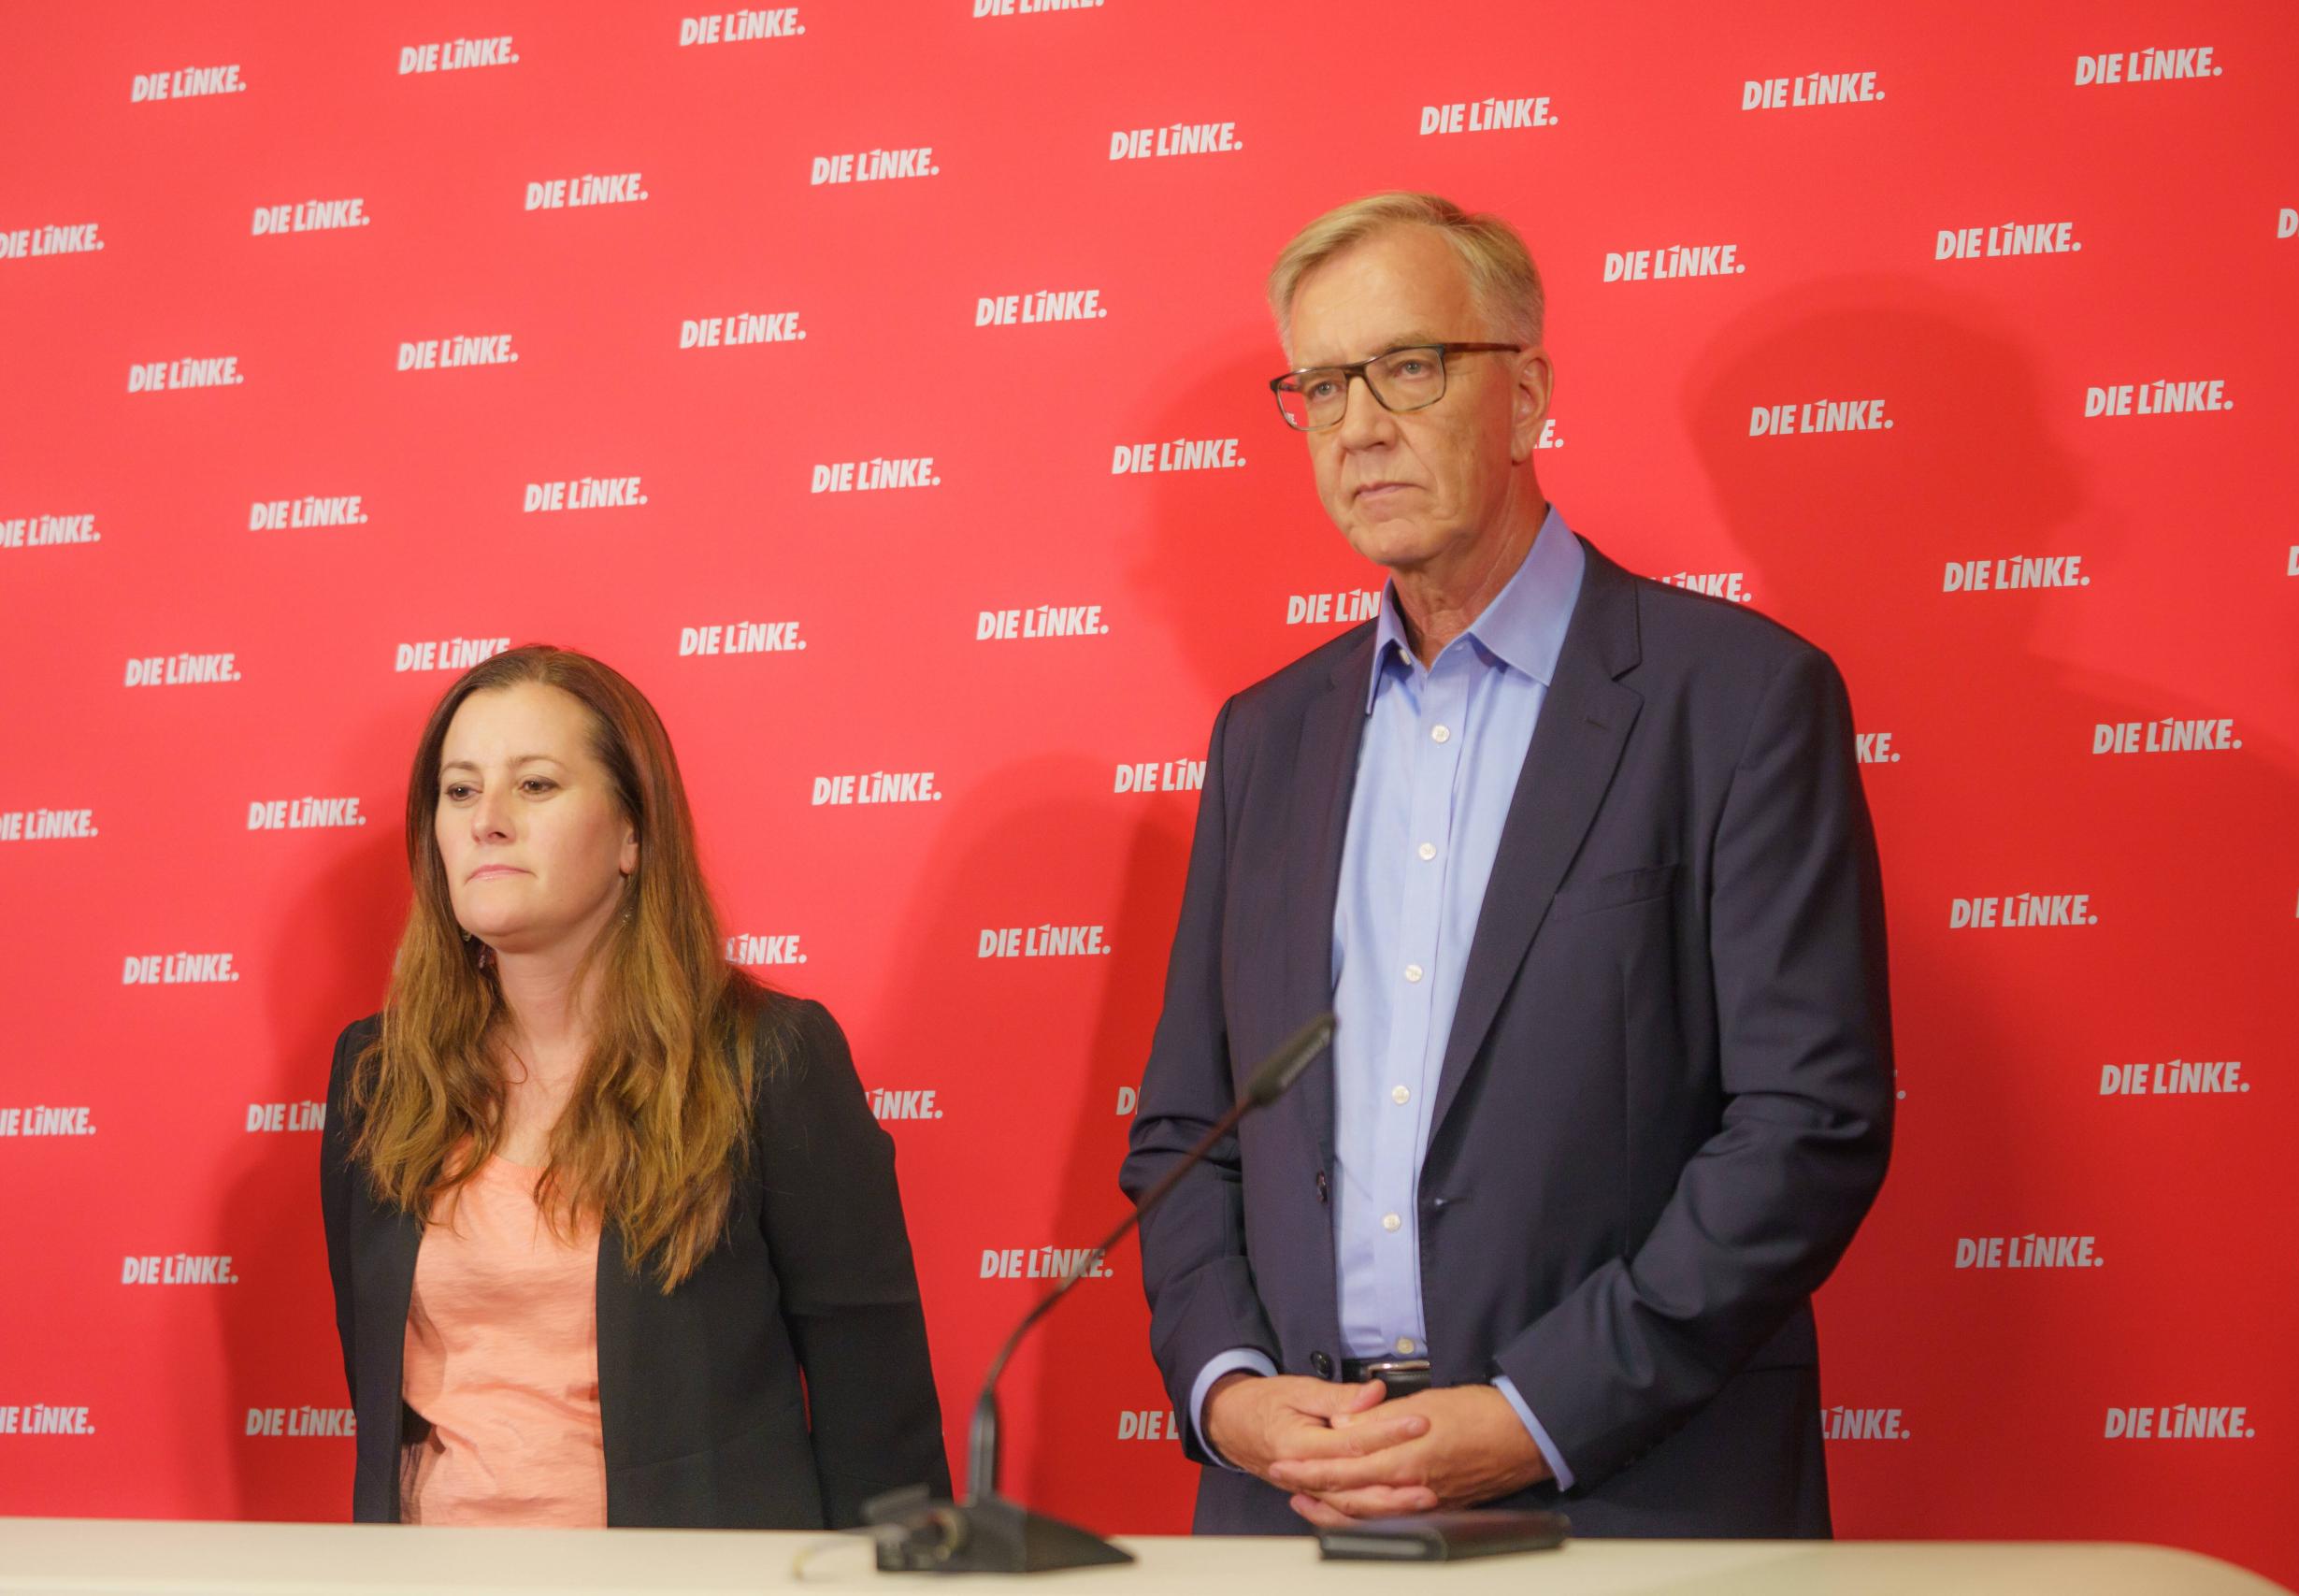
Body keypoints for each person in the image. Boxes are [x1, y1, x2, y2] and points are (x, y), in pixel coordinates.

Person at [1120, 192, 1894, 1537]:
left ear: (1528, 392)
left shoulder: (1739, 700)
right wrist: (1234, 1389)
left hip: (1632, 1485)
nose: (1359, 425)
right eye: (1319, 385)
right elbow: (1192, 1131)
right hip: (1297, 1501)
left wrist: (1539, 1407)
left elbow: (1804, 1124)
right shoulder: (1266, 736)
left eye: (1408, 368)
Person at [321, 644, 946, 1528]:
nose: (486, 820)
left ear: (632, 833)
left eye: (535, 785)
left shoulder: (769, 1058)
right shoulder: (377, 1074)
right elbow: (375, 1381)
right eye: (459, 791)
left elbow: (874, 1410)